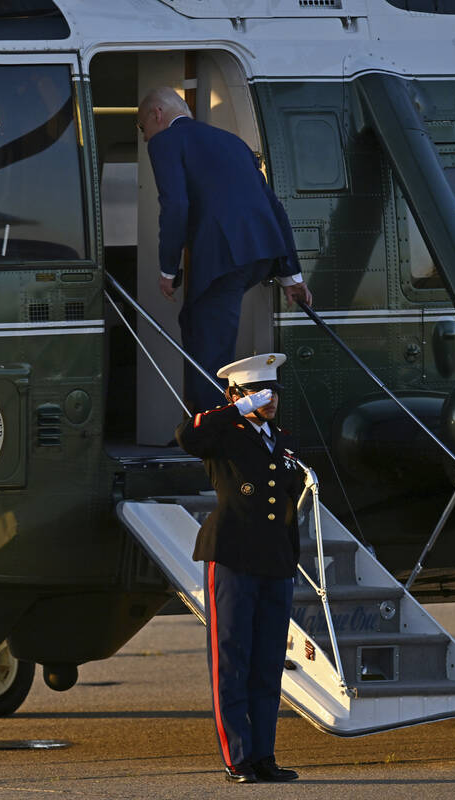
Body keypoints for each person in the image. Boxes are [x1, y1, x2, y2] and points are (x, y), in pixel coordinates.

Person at [138, 86, 312, 412]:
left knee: (208, 345)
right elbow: (274, 206)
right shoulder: (232, 142)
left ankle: (212, 428)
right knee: (196, 321)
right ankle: (216, 417)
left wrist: (168, 269)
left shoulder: (165, 141)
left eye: (141, 127)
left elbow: (175, 205)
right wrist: (292, 276)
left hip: (225, 257)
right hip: (261, 253)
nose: (145, 137)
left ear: (157, 114)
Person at [174, 352, 302, 785]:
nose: (269, 400)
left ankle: (264, 755)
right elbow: (187, 436)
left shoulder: (279, 439)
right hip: (232, 556)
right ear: (236, 396)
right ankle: (238, 758)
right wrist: (237, 409)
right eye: (258, 393)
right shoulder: (223, 434)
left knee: (267, 663)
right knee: (232, 660)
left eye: (274, 393)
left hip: (274, 561)